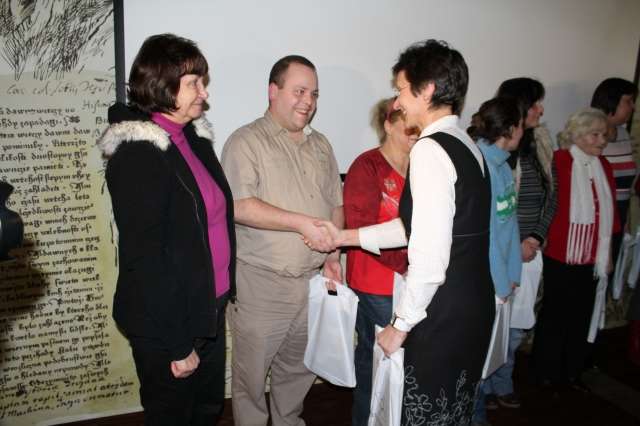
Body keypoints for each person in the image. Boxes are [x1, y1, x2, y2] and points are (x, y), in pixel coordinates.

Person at [312, 39, 495, 425]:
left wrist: (400, 325)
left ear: (426, 90)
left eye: (401, 90)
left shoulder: (429, 150)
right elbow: (418, 227)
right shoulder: (466, 144)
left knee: (423, 414)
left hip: (441, 309)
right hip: (474, 304)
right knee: (454, 411)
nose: (397, 102)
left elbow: (429, 257)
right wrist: (345, 238)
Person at [98, 34, 235, 425]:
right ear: (162, 84)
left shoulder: (193, 138)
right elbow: (146, 260)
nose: (204, 93)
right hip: (168, 323)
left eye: (202, 82)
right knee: (173, 416)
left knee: (207, 410)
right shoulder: (138, 154)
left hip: (207, 309)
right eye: (194, 83)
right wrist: (177, 345)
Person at [220, 55, 343, 426]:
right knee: (251, 381)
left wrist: (333, 255)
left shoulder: (321, 145)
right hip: (262, 286)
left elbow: (336, 204)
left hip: (312, 284)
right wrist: (300, 223)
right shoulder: (245, 141)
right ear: (273, 91)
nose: (308, 101)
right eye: (300, 91)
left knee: (298, 373)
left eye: (314, 94)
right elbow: (239, 205)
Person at [531, 108, 620, 392]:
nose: (602, 140)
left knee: (582, 315)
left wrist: (607, 254)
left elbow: (610, 212)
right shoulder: (559, 160)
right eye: (595, 134)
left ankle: (572, 371)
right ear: (578, 135)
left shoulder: (604, 165)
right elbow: (548, 204)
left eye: (603, 135)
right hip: (561, 252)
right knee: (555, 314)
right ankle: (545, 370)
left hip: (594, 257)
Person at [344, 97, 417, 426]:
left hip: (409, 281)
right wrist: (407, 263)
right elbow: (360, 227)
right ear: (388, 125)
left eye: (418, 129)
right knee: (376, 364)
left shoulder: (420, 167)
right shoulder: (367, 166)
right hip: (375, 283)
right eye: (408, 128)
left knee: (397, 364)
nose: (415, 135)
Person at [488, 77, 556, 410]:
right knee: (494, 327)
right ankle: (485, 389)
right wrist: (516, 245)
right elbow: (496, 213)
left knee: (515, 329)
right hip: (502, 253)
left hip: (532, 249)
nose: (540, 110)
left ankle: (503, 383)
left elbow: (552, 196)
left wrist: (535, 237)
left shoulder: (540, 143)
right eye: (535, 103)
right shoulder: (496, 152)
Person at [467, 97, 524, 426]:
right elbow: (485, 236)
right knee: (475, 360)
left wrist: (513, 272)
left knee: (488, 356)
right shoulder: (482, 166)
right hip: (484, 282)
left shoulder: (503, 164)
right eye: (521, 126)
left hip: (500, 281)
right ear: (511, 128)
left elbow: (510, 223)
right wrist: (500, 284)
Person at [590, 78, 638, 264]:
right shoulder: (588, 135)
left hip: (619, 214)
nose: (633, 107)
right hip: (597, 218)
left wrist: (625, 219)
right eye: (628, 101)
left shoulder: (624, 134)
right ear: (611, 101)